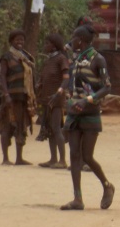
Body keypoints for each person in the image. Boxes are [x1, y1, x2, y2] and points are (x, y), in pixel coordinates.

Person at [60, 25, 115, 211]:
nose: (71, 41)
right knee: (74, 155)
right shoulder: (76, 59)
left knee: (87, 156)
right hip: (74, 114)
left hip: (90, 113)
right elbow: (65, 47)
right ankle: (77, 199)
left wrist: (87, 101)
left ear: (80, 40)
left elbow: (107, 87)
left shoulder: (98, 59)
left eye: (74, 38)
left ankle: (107, 186)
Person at [0, 29, 37, 166]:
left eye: (22, 40)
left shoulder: (26, 57)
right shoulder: (6, 57)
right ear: (11, 41)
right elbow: (2, 76)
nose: (20, 42)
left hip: (23, 98)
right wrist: (6, 94)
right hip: (10, 98)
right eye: (17, 40)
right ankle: (5, 158)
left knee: (21, 126)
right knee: (7, 126)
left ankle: (19, 158)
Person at [37, 34, 69, 169]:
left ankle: (62, 160)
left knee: (56, 128)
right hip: (46, 99)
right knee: (50, 129)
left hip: (56, 100)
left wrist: (59, 92)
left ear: (54, 46)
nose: (45, 46)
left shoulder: (61, 59)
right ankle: (53, 159)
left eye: (47, 43)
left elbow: (66, 78)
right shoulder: (49, 60)